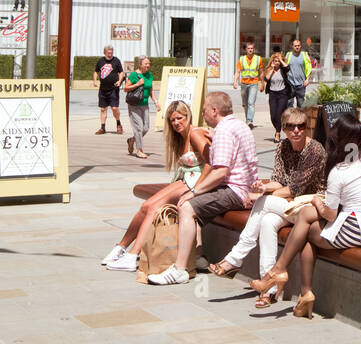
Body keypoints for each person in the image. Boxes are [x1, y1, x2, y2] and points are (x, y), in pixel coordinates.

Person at [249, 115, 361, 318]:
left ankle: (281, 273)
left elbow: (330, 214)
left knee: (305, 228)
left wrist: (315, 201)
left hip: (354, 230)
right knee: (306, 224)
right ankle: (301, 293)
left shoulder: (339, 172)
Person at [208, 107, 326, 305]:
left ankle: (235, 258)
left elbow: (296, 189)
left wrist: (258, 195)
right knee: (267, 222)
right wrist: (263, 187)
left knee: (263, 203)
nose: (296, 130)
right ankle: (268, 287)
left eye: (301, 126)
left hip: (310, 209)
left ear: (307, 127)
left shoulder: (314, 150)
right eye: (290, 126)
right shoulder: (283, 147)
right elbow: (279, 181)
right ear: (284, 128)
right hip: (289, 207)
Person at [148, 91, 258, 285]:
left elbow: (220, 172)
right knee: (192, 205)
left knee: (187, 206)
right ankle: (198, 257)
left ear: (215, 110)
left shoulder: (224, 131)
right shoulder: (239, 125)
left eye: (206, 109)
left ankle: (179, 269)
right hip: (245, 187)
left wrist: (194, 191)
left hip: (235, 191)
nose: (203, 114)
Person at [101, 102, 211, 272]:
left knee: (153, 207)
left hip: (196, 183)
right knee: (146, 206)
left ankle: (132, 255)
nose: (176, 123)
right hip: (185, 180)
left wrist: (196, 189)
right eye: (172, 120)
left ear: (188, 116)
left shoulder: (195, 134)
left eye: (180, 118)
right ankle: (120, 248)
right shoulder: (179, 137)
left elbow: (213, 162)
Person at [122, 56, 160, 159]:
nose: (148, 65)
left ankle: (132, 140)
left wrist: (156, 102)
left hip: (145, 105)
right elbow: (125, 88)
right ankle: (139, 150)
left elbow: (151, 89)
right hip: (134, 105)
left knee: (146, 128)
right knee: (138, 128)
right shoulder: (134, 75)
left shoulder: (149, 75)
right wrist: (137, 84)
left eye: (149, 64)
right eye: (146, 64)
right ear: (140, 65)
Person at [93, 44, 124, 135]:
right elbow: (96, 71)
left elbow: (121, 72)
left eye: (111, 53)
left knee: (114, 108)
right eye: (108, 53)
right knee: (103, 109)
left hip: (113, 88)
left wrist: (119, 81)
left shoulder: (116, 61)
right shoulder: (100, 61)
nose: (110, 54)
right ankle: (102, 127)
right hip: (103, 88)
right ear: (104, 53)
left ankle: (118, 124)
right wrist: (95, 81)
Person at [261, 47, 291, 142]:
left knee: (279, 113)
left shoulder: (283, 70)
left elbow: (287, 68)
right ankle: (279, 128)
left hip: (283, 94)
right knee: (273, 115)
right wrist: (272, 68)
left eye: (278, 61)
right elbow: (266, 79)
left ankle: (277, 133)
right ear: (272, 61)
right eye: (275, 61)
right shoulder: (270, 69)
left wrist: (281, 60)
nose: (277, 63)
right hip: (273, 94)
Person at [233, 40, 263, 129]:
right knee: (245, 104)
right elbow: (238, 72)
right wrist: (235, 81)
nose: (250, 50)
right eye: (249, 48)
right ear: (246, 49)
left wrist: (262, 84)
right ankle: (247, 120)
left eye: (252, 48)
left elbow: (261, 72)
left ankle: (249, 121)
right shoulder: (241, 59)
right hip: (244, 84)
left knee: (251, 103)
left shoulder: (258, 59)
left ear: (254, 49)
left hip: (254, 83)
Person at [282, 37, 312, 107]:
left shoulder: (304, 55)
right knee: (289, 104)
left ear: (300, 46)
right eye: (295, 46)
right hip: (290, 84)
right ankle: (290, 118)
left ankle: (299, 118)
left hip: (301, 84)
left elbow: (309, 68)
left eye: (298, 45)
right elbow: (284, 67)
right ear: (292, 46)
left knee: (301, 105)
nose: (297, 47)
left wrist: (307, 80)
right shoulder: (288, 55)